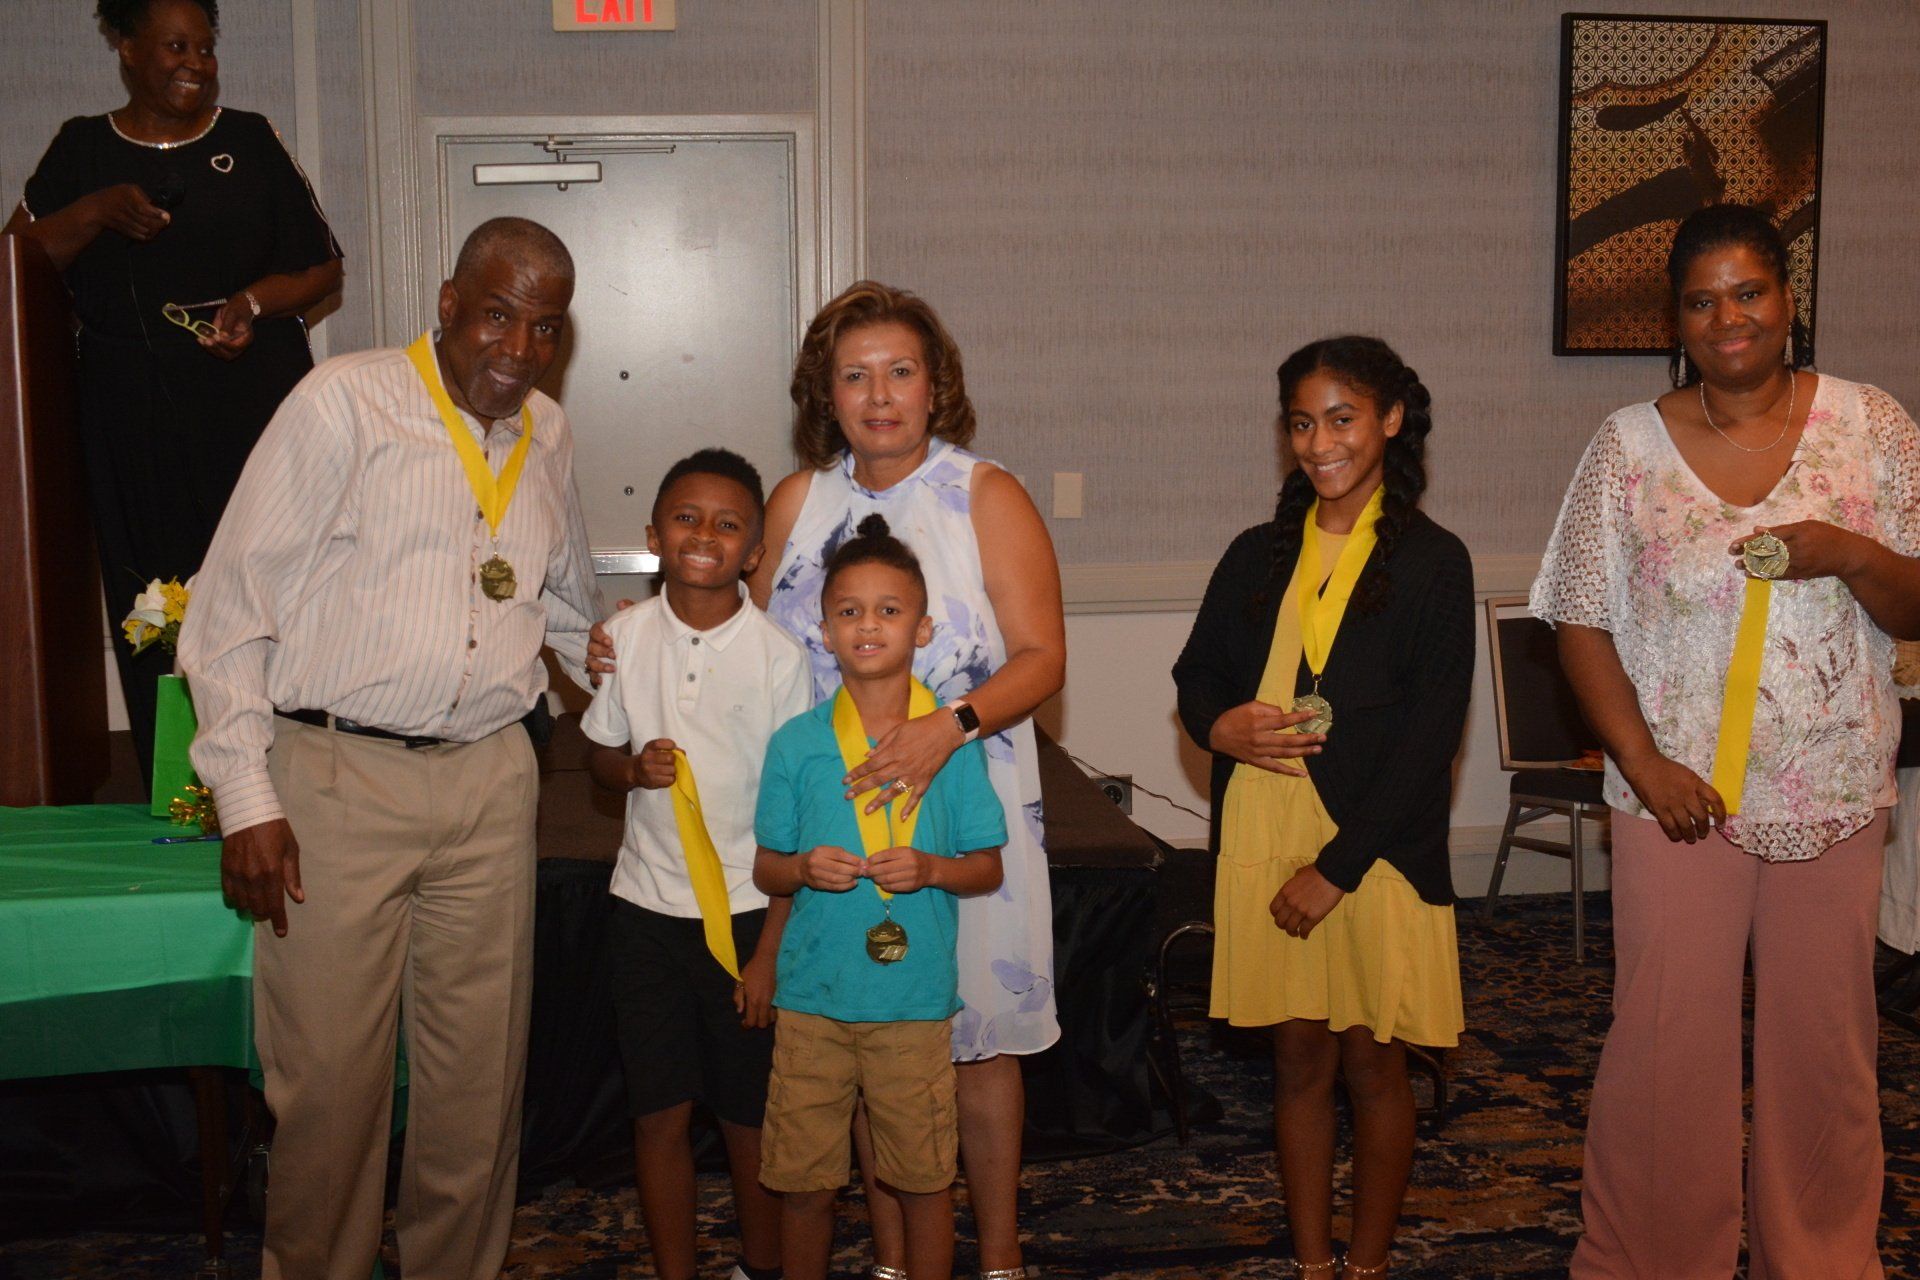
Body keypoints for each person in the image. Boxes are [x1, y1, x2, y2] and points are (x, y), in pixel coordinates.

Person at [591, 280, 1064, 1279]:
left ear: (936, 386)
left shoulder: (988, 494)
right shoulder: (799, 501)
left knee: (978, 1044)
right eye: (855, 375)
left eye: (900, 371)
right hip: (834, 819)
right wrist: (632, 635)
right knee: (858, 1029)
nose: (878, 394)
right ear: (826, 392)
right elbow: (733, 626)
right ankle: (891, 1257)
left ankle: (1000, 1257)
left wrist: (944, 730)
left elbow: (1042, 658)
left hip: (960, 799)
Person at [177, 217, 600, 1280]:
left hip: (492, 780)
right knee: (329, 1090)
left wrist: (665, 676)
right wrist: (245, 797)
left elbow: (562, 604)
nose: (519, 347)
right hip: (336, 780)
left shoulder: (547, 434)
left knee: (477, 1090)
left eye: (545, 327)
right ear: (449, 304)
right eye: (498, 314)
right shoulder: (342, 404)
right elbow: (227, 613)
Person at [1534, 203, 1920, 1279]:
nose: (1729, 318)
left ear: (1789, 299)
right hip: (1676, 800)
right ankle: (1651, 1260)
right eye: (1703, 302)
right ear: (1679, 319)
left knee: (1824, 1049)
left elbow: (1916, 601)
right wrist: (1643, 763)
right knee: (1665, 1048)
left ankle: (1823, 1257)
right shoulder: (1626, 445)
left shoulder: (1873, 425)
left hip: (1833, 788)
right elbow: (1578, 620)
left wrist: (1847, 551)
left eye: (1749, 292)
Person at [1172, 336, 1473, 1279]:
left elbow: (1432, 739)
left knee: (1375, 1068)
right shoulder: (1257, 554)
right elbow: (1196, 678)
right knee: (1297, 1065)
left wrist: (1336, 869)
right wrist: (1219, 727)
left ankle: (1367, 1264)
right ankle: (1311, 1264)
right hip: (1266, 831)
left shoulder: (1433, 561)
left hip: (1370, 850)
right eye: (1302, 423)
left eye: (1341, 419)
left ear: (1391, 420)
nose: (1320, 443)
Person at [5, 0, 343, 782]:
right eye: (175, 47)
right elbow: (16, 261)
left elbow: (323, 267)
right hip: (129, 406)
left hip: (250, 399)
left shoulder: (250, 140)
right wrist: (94, 211)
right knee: (151, 590)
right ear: (126, 48)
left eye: (205, 47)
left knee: (266, 580)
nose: (196, 63)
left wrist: (251, 302)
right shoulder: (83, 148)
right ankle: (181, 783)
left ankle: (283, 774)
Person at [753, 514, 1008, 1280]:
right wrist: (803, 870)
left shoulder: (948, 748)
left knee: (923, 1182)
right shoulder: (796, 744)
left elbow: (987, 868)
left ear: (922, 629)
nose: (868, 625)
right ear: (824, 630)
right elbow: (766, 869)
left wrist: (930, 870)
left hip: (912, 1005)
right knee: (803, 1186)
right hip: (812, 1003)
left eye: (889, 610)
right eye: (850, 611)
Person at [581, 448, 812, 1280]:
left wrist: (770, 952)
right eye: (686, 518)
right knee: (658, 1115)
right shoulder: (623, 637)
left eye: (727, 524)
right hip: (645, 915)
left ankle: (762, 1267)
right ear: (654, 536)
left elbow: (795, 822)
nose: (704, 535)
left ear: (753, 551)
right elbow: (600, 756)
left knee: (749, 1119)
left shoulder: (781, 658)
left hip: (748, 918)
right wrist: (630, 770)